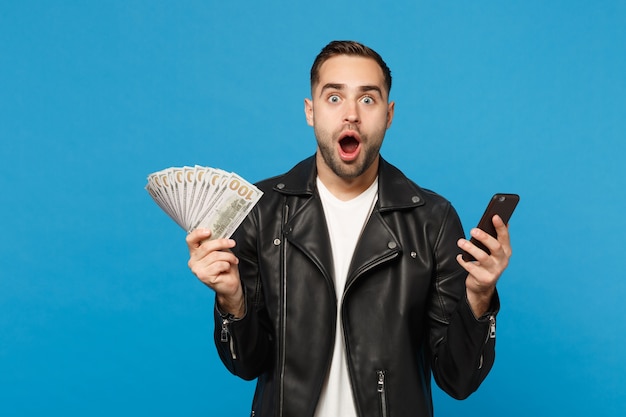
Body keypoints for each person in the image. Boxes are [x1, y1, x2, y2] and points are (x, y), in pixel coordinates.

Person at [186, 40, 511, 417]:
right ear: (311, 111)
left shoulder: (433, 221)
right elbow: (245, 364)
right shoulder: (260, 210)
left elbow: (458, 380)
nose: (351, 114)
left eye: (368, 100)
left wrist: (480, 297)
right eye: (334, 98)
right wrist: (231, 299)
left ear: (389, 115)